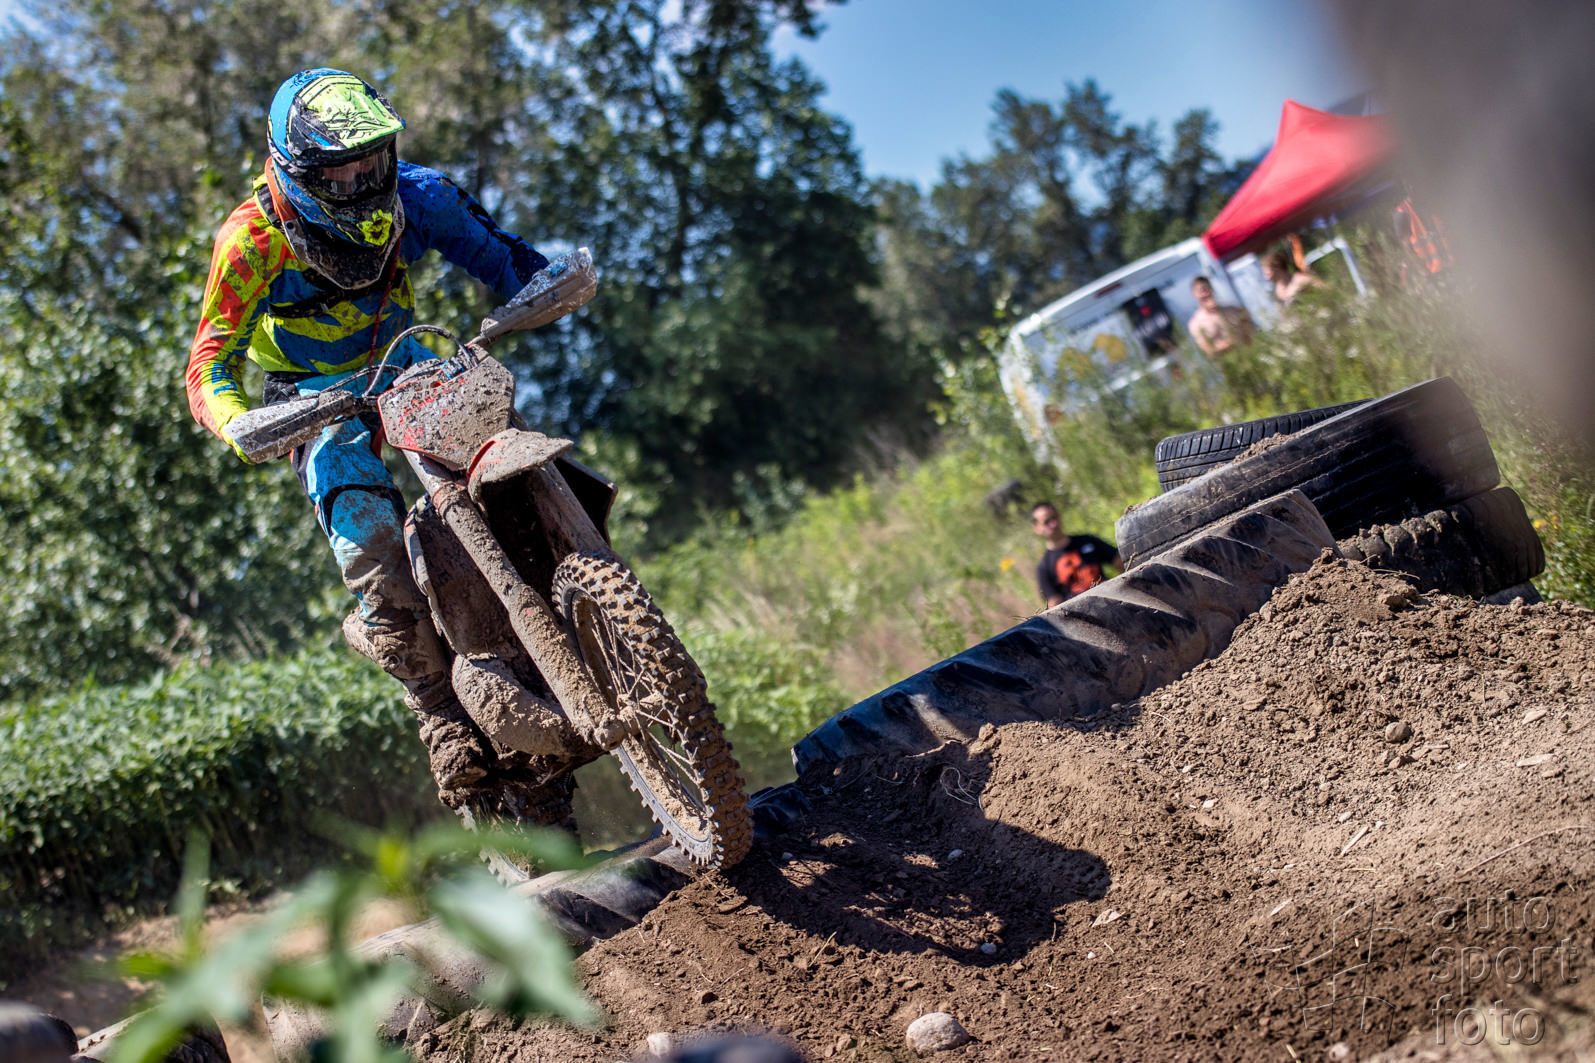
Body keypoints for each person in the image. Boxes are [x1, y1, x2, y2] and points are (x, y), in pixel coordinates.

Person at [185, 69, 557, 819]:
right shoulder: (251, 241)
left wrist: (550, 283)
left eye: (370, 161)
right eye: (338, 172)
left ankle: (577, 581)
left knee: (507, 443)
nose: (359, 181)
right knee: (366, 532)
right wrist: (237, 422)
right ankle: (438, 709)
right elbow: (208, 363)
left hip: (406, 360)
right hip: (312, 395)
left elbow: (505, 258)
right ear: (296, 171)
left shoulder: (419, 194)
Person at [1030, 502, 1120, 608]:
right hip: (1083, 613)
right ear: (1037, 528)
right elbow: (1054, 604)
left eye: (1054, 517)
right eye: (1046, 522)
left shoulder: (1087, 541)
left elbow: (1121, 563)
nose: (1053, 524)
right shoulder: (1044, 567)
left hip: (1111, 600)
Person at [1185, 276, 1256, 357]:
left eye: (1207, 288)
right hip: (1229, 362)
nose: (1206, 293)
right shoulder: (1196, 324)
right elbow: (1209, 351)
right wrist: (1232, 342)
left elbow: (1251, 329)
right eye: (1201, 291)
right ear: (1194, 294)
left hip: (1248, 356)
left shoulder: (1233, 310)